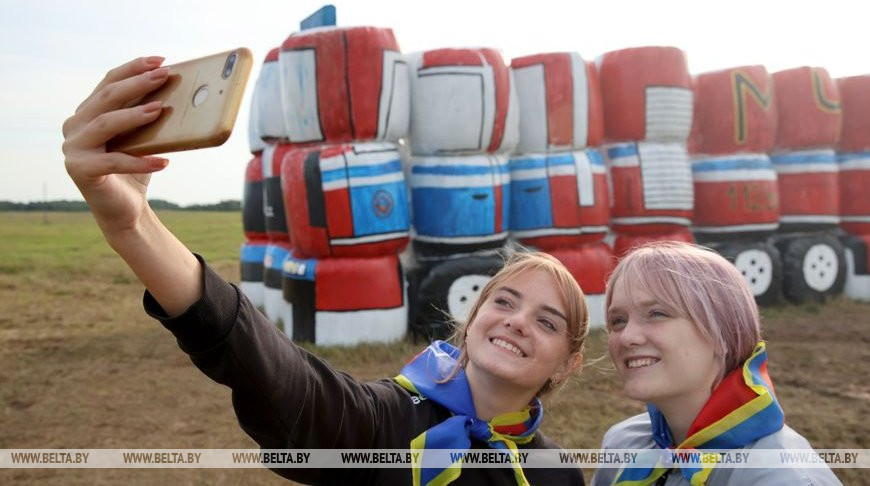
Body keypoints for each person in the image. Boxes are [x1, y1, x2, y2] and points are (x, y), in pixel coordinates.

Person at [62, 57, 588, 485]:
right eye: (504, 301)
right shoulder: (385, 421)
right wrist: (134, 227)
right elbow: (277, 374)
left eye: (548, 322)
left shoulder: (560, 476)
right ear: (471, 319)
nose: (517, 321)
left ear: (568, 365)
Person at [591, 242, 841, 485]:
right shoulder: (623, 445)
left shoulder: (783, 477)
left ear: (723, 334)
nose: (627, 337)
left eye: (657, 313)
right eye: (618, 320)